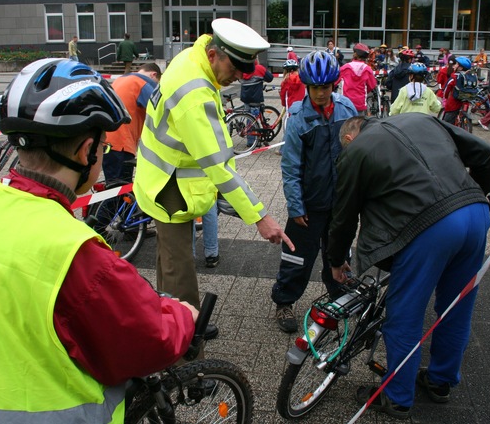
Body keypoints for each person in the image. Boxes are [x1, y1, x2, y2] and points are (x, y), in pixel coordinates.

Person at [0, 58, 197, 421]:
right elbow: (148, 340)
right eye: (103, 148)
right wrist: (184, 315)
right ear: (86, 151)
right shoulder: (74, 252)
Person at [330, 113, 490, 420]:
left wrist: (336, 260)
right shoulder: (422, 119)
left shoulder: (355, 150)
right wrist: (480, 194)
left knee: (404, 316)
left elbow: (344, 215)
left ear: (349, 139)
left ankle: (397, 397)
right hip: (475, 213)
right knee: (456, 308)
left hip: (430, 227)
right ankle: (441, 382)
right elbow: (486, 154)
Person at [134, 18, 294, 335]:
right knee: (181, 280)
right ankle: (188, 363)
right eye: (234, 68)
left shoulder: (191, 57)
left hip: (161, 182)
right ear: (213, 55)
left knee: (169, 267)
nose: (237, 77)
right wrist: (260, 217)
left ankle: (171, 324)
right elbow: (219, 167)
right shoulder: (195, 94)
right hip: (170, 192)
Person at [271, 50, 358, 333]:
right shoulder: (298, 117)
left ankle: (338, 294)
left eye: (326, 86)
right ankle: (284, 300)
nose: (321, 93)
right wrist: (296, 207)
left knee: (339, 252)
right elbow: (291, 166)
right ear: (306, 86)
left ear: (335, 84)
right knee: (297, 256)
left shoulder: (347, 111)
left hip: (340, 202)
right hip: (308, 205)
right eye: (315, 87)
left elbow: (359, 157)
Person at [103, 62, 162, 184]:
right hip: (122, 144)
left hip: (106, 141)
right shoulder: (143, 83)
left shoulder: (120, 80)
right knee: (121, 191)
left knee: (112, 187)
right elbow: (160, 113)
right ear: (153, 74)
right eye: (157, 83)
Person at [338, 43, 377, 114]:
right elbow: (372, 85)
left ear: (355, 54)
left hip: (346, 103)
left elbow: (335, 81)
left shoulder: (346, 67)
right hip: (360, 103)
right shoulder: (367, 69)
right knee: (360, 123)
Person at [441, 56, 472, 126]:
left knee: (447, 124)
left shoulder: (454, 77)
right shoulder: (469, 76)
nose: (454, 66)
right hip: (466, 100)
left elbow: (446, 89)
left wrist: (446, 97)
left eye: (456, 64)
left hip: (454, 103)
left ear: (460, 68)